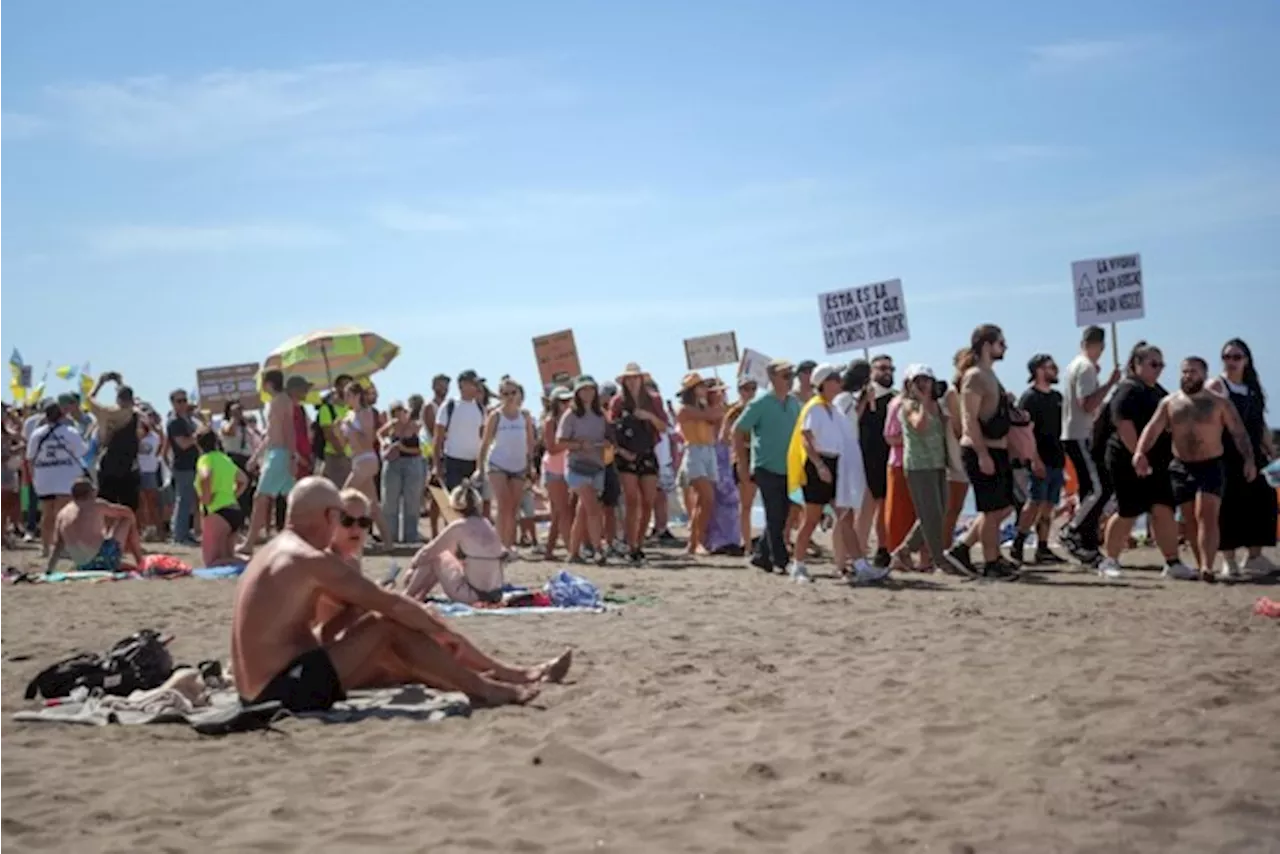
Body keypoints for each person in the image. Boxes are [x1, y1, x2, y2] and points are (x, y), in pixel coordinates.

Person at [230, 477, 556, 711]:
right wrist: (439, 629)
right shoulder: (308, 558)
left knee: (392, 633)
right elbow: (388, 605)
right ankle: (486, 687)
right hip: (279, 689)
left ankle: (490, 678)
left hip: (261, 687)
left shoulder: (272, 550)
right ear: (330, 516)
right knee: (387, 625)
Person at [1134, 356, 1256, 581]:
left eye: (1193, 372)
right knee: (1189, 518)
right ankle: (1201, 565)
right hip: (1181, 466)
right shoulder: (1170, 403)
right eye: (1184, 371)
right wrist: (1140, 452)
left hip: (1210, 464)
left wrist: (1249, 460)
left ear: (1204, 374)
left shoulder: (1219, 402)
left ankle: (1208, 566)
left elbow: (1239, 432)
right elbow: (1153, 429)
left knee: (1206, 514)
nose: (1187, 376)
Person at [1097, 342, 1190, 580]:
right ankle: (1110, 560)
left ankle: (1172, 561)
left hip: (1158, 462)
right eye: (1153, 364)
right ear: (1136, 364)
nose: (1158, 369)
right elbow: (1124, 425)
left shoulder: (1158, 391)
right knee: (1128, 510)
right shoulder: (1128, 390)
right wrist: (1138, 456)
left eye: (1161, 364)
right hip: (1126, 459)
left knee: (1163, 509)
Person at [1206, 338, 1278, 578]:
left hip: (1254, 456)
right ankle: (1229, 560)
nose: (1231, 362)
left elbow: (1260, 423)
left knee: (1262, 501)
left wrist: (1271, 449)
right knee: (1228, 506)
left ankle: (1254, 557)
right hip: (1226, 455)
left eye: (1236, 357)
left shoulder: (1252, 389)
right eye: (1227, 357)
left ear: (1246, 360)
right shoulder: (1218, 385)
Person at [953, 324, 1018, 580]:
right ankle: (991, 562)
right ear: (986, 345)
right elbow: (969, 419)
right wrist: (982, 455)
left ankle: (964, 547)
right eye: (1001, 343)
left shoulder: (991, 376)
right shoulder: (974, 376)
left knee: (1002, 508)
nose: (1005, 348)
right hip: (982, 449)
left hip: (998, 449)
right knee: (991, 511)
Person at [1060, 326, 1122, 564]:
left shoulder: (1076, 366)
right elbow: (1086, 404)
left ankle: (1087, 540)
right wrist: (1109, 384)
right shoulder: (1085, 367)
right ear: (1102, 345)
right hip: (1079, 434)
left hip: (1074, 433)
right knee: (1099, 489)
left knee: (1090, 489)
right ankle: (1072, 529)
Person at [734, 359, 800, 574]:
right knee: (773, 513)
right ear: (772, 377)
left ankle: (762, 556)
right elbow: (737, 430)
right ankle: (781, 560)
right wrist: (743, 464)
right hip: (766, 466)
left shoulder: (793, 403)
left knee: (781, 515)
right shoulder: (760, 402)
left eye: (792, 375)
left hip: (789, 467)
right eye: (785, 375)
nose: (790, 380)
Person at [786, 364, 848, 582]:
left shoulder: (833, 408)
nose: (839, 382)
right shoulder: (814, 407)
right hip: (817, 465)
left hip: (833, 462)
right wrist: (820, 466)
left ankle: (854, 562)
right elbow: (806, 438)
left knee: (844, 515)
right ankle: (798, 564)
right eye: (835, 378)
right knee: (811, 518)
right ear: (824, 383)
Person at [401, 483, 509, 604]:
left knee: (436, 556)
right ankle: (418, 596)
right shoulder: (486, 524)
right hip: (495, 595)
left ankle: (408, 595)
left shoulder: (459, 526)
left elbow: (428, 551)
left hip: (472, 595)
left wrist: (412, 566)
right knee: (442, 558)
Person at [891, 365, 951, 573]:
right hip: (919, 465)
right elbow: (920, 425)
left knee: (938, 512)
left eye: (927, 380)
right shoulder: (908, 405)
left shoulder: (937, 404)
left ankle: (905, 550)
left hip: (938, 463)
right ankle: (938, 558)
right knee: (930, 514)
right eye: (919, 381)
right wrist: (924, 400)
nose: (924, 384)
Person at [1010, 355, 1066, 565]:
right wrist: (1035, 459)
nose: (1055, 370)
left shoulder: (1057, 397)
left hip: (1056, 457)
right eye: (1050, 367)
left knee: (1049, 505)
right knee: (1033, 502)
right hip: (1038, 458)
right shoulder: (1029, 398)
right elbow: (1025, 433)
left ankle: (1042, 547)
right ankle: (1019, 542)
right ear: (1039, 370)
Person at [611, 363, 667, 564]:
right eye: (629, 378)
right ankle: (631, 542)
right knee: (632, 499)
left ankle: (639, 543)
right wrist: (622, 452)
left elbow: (663, 426)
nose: (632, 381)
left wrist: (649, 416)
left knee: (648, 500)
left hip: (647, 451)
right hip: (626, 454)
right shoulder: (618, 402)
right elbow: (611, 431)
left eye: (636, 377)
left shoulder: (653, 400)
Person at [242, 371, 302, 554]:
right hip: (276, 453)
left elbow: (289, 430)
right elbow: (271, 434)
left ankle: (249, 543)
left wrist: (292, 456)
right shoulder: (278, 401)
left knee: (261, 498)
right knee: (291, 499)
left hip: (280, 455)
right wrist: (256, 456)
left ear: (268, 383)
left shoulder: (281, 401)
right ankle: (299, 538)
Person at [558, 375, 613, 565]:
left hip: (596, 466)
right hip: (577, 467)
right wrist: (580, 445)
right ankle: (598, 548)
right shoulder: (570, 415)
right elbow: (560, 442)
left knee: (584, 512)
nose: (587, 393)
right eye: (583, 390)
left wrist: (605, 443)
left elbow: (608, 438)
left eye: (590, 389)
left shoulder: (601, 415)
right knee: (592, 508)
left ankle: (573, 552)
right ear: (577, 393)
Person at [26, 401, 89, 558]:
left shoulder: (37, 434)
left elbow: (30, 458)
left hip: (44, 478)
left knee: (47, 514)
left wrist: (34, 477)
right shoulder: (70, 432)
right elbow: (83, 451)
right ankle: (62, 547)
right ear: (62, 415)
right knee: (64, 515)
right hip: (66, 478)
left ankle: (46, 547)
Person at [480, 379, 535, 550]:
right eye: (505, 393)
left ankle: (508, 545)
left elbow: (530, 442)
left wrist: (531, 465)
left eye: (513, 393)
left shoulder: (525, 416)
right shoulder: (495, 416)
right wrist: (480, 468)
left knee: (513, 508)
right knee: (503, 504)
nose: (510, 397)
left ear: (519, 393)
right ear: (500, 396)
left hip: (519, 466)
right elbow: (485, 443)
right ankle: (498, 545)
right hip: (498, 464)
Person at [47, 478, 144, 573]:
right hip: (104, 557)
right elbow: (127, 512)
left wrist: (49, 570)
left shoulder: (62, 513)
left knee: (107, 545)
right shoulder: (95, 504)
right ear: (91, 492)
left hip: (83, 565)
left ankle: (126, 564)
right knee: (127, 519)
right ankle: (140, 561)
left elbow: (57, 545)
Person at [676, 372, 724, 556]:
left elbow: (717, 418)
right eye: (701, 386)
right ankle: (696, 541)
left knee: (703, 502)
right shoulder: (685, 409)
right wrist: (716, 404)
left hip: (708, 450)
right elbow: (712, 415)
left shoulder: (703, 407)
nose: (705, 389)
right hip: (695, 450)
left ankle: (695, 542)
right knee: (707, 497)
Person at [340, 382, 393, 548]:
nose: (346, 398)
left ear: (357, 396)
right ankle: (389, 543)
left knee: (342, 498)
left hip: (366, 459)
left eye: (348, 395)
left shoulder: (366, 413)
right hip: (357, 459)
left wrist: (351, 430)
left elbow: (367, 441)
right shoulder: (349, 415)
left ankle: (337, 538)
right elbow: (344, 445)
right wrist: (338, 430)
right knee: (374, 506)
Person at [857, 355, 896, 566]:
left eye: (890, 369)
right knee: (866, 507)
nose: (887, 372)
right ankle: (859, 550)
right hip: (864, 457)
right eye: (882, 368)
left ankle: (883, 547)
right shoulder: (860, 396)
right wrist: (864, 400)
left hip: (887, 457)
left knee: (884, 505)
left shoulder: (895, 399)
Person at [88, 372, 143, 513]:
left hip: (109, 464)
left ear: (117, 399)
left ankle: (108, 533)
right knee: (129, 509)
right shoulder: (134, 413)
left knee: (107, 506)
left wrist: (99, 383)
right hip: (129, 466)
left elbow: (89, 399)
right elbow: (130, 400)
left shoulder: (105, 412)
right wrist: (120, 382)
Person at [195, 429, 250, 567]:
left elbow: (205, 476)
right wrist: (233, 495)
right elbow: (243, 480)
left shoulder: (205, 459)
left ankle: (250, 562)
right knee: (227, 557)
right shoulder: (225, 459)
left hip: (217, 512)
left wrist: (206, 499)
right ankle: (250, 562)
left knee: (211, 562)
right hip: (234, 510)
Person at [379, 399, 425, 545]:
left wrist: (401, 448)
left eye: (402, 412)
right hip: (393, 464)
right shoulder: (392, 425)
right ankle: (389, 536)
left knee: (411, 500)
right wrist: (385, 443)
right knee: (390, 500)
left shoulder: (415, 426)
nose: (399, 416)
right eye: (395, 413)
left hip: (412, 463)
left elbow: (420, 450)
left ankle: (410, 536)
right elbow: (379, 433)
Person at [434, 370, 487, 492]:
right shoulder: (449, 406)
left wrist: (482, 465)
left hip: (474, 463)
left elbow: (483, 438)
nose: (477, 388)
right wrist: (437, 466)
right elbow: (438, 438)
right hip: (453, 462)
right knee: (455, 502)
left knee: (474, 502)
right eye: (474, 384)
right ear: (462, 385)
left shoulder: (480, 409)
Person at [540, 387, 574, 559]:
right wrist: (574, 444)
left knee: (559, 513)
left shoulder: (572, 420)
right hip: (554, 469)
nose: (566, 404)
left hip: (568, 467)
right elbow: (552, 448)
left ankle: (549, 550)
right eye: (562, 401)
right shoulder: (550, 421)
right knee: (564, 510)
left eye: (568, 400)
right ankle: (571, 549)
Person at [166, 389, 200, 546]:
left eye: (184, 400)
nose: (183, 404)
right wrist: (198, 435)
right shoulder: (175, 422)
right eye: (179, 401)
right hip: (183, 466)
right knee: (183, 500)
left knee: (189, 501)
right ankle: (180, 535)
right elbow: (183, 444)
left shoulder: (187, 420)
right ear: (172, 403)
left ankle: (185, 532)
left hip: (192, 465)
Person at [316, 374, 353, 487]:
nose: (348, 390)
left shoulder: (351, 409)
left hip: (352, 456)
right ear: (337, 388)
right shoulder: (326, 409)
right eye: (344, 386)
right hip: (336, 457)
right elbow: (329, 435)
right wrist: (342, 452)